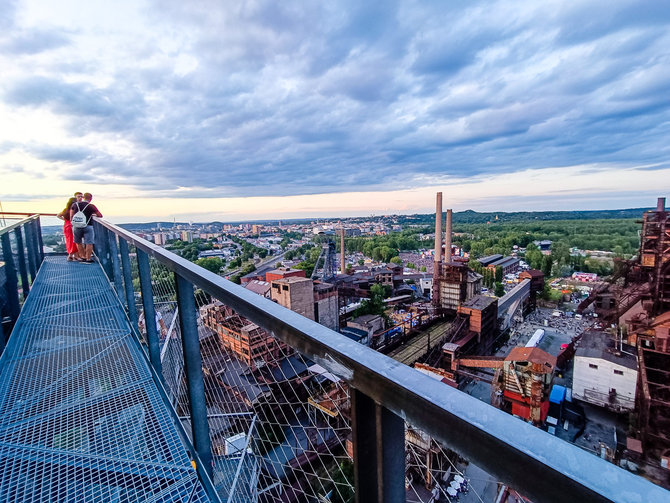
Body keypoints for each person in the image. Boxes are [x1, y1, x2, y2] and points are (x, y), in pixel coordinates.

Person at [69, 192, 102, 263]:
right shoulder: (91, 206)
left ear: (83, 197)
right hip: (88, 225)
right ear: (90, 199)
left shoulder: (75, 204)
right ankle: (88, 258)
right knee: (89, 243)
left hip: (77, 226)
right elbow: (100, 215)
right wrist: (92, 214)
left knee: (78, 242)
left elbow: (71, 216)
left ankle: (82, 257)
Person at [57, 194, 79, 261]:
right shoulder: (75, 209)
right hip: (73, 225)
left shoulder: (65, 210)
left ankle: (74, 255)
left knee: (69, 241)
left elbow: (58, 215)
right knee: (74, 241)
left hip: (66, 226)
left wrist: (65, 220)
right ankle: (71, 255)